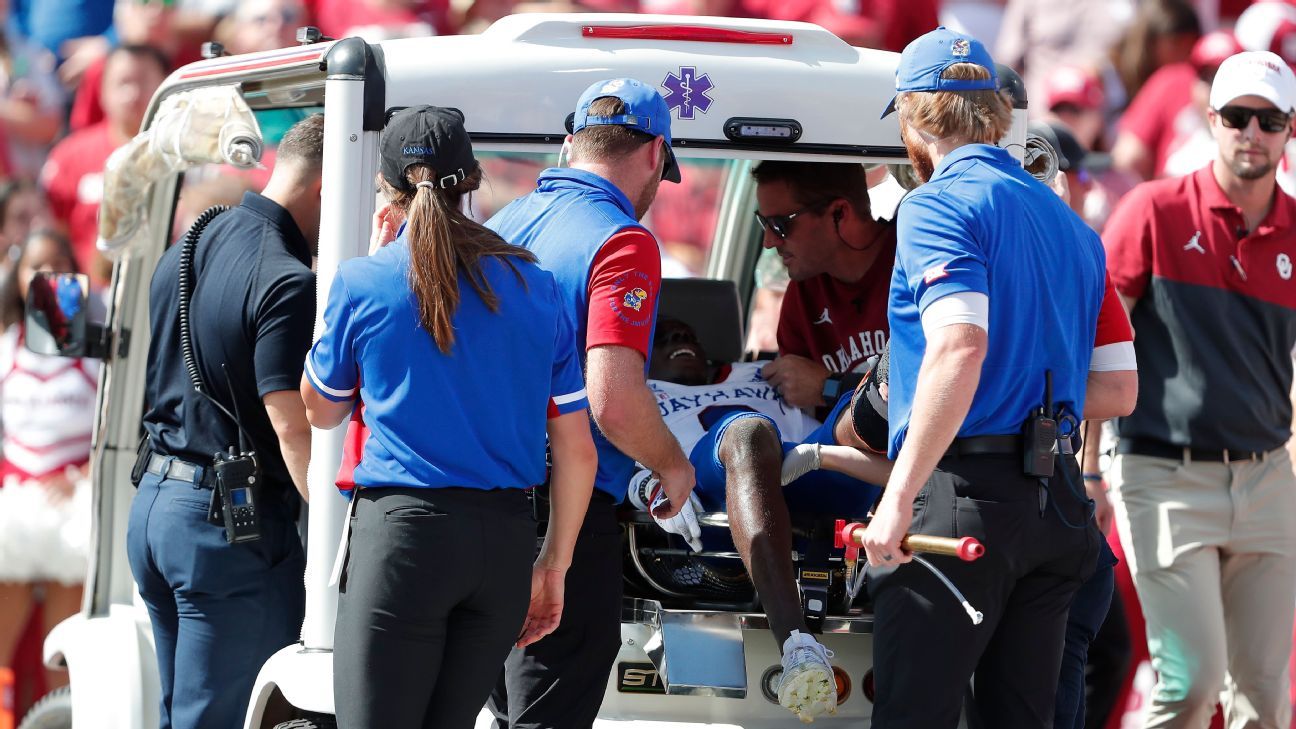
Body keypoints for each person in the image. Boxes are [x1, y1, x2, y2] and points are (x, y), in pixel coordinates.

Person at [863, 27, 1137, 727]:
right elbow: (1117, 387)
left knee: (912, 715)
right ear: (991, 112)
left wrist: (896, 501)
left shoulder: (937, 204)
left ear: (915, 118)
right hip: (1054, 503)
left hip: (963, 505)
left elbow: (959, 345)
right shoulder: (1072, 224)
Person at [301, 105, 594, 729]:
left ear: (390, 190)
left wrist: (375, 263)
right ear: (471, 182)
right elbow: (576, 450)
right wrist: (554, 564)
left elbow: (322, 409)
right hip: (503, 542)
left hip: (405, 538)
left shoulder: (365, 280)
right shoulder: (535, 285)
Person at [485, 76, 696, 729]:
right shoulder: (622, 241)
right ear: (656, 154)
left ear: (569, 143)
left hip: (476, 505)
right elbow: (613, 400)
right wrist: (673, 464)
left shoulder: (501, 224)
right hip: (562, 517)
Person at [1102, 50, 1296, 729]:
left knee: (1268, 703)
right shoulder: (1152, 209)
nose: (1253, 132)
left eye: (1269, 119)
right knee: (1191, 684)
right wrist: (1084, 464)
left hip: (1268, 475)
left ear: (1288, 131)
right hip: (1162, 472)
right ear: (1211, 120)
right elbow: (1093, 343)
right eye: (1239, 116)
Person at [126, 113, 324, 729]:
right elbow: (290, 425)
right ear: (325, 187)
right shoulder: (286, 279)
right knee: (221, 718)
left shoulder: (193, 242)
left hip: (159, 508)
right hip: (224, 527)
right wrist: (339, 527)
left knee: (184, 715)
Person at [633, 316, 886, 721]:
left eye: (687, 332)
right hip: (719, 491)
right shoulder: (634, 393)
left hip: (807, 471)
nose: (679, 337)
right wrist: (646, 486)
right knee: (750, 432)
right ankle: (797, 646)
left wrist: (832, 385)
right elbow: (609, 468)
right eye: (661, 337)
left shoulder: (767, 371)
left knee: (878, 388)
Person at [0, 230, 97, 696]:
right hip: (13, 513)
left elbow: (122, 435)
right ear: (16, 276)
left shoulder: (96, 351)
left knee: (61, 658)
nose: (48, 278)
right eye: (36, 268)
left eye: (59, 265)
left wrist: (78, 477)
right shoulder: (5, 347)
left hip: (72, 519)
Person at [755, 161, 895, 412]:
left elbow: (936, 391)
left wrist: (829, 387)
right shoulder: (802, 297)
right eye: (762, 222)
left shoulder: (913, 265)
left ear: (839, 213)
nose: (769, 241)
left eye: (779, 224)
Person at [40, 44, 168, 284]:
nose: (133, 93)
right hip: (90, 300)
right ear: (102, 91)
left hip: (166, 295)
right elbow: (53, 235)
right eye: (123, 83)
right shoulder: (69, 156)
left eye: (144, 81)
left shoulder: (186, 152)